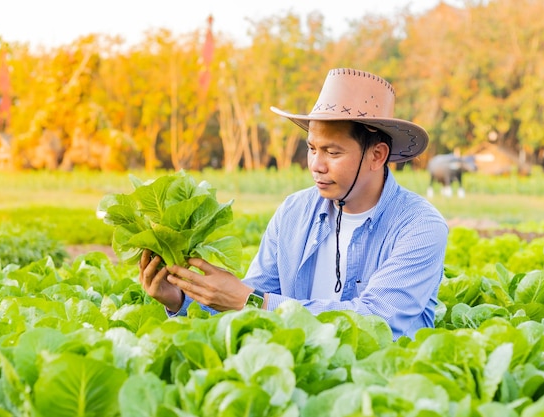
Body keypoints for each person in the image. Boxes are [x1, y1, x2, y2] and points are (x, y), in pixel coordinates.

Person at [139, 68, 448, 339]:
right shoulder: (294, 211)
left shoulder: (419, 226)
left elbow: (377, 322)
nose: (316, 164)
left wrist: (253, 300)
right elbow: (247, 303)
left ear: (377, 155)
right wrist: (179, 300)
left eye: (333, 152)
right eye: (312, 148)